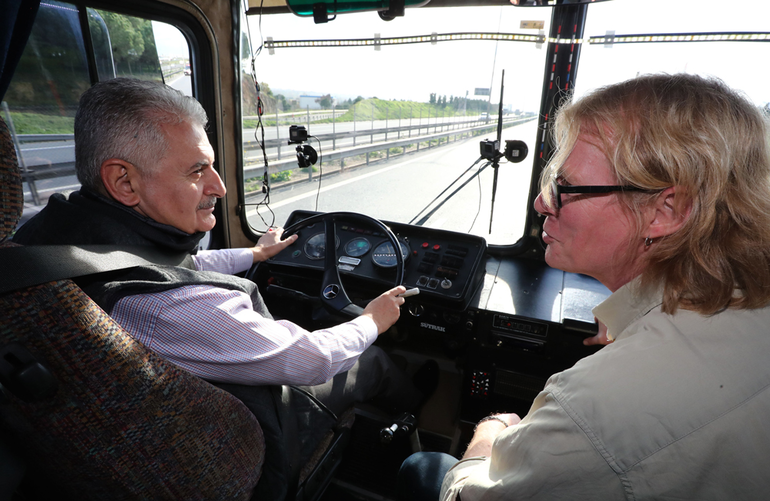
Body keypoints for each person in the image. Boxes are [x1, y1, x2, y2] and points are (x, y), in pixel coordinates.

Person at [13, 77, 435, 499]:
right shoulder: (173, 307)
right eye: (198, 170)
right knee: (372, 359)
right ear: (124, 182)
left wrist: (252, 255)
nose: (220, 186)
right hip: (251, 443)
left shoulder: (39, 245)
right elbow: (314, 358)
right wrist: (370, 320)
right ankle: (420, 407)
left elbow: (171, 266)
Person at [398, 73, 770, 500]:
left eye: (566, 187)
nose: (542, 203)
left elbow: (466, 495)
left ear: (667, 210)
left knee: (424, 465)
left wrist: (492, 428)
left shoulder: (594, 409)